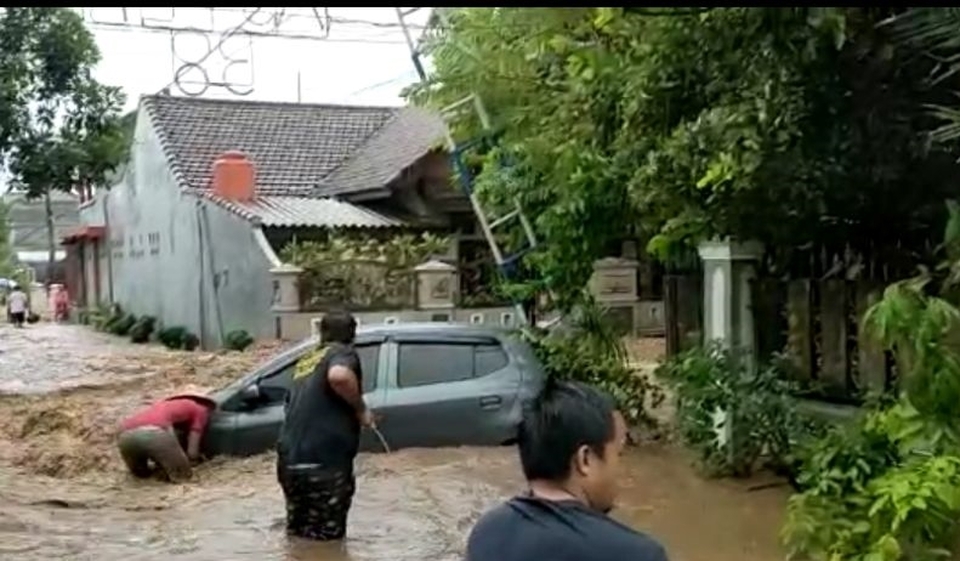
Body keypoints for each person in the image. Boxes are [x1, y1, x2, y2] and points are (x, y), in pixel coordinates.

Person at [465, 380, 670, 561]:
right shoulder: (637, 554)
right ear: (585, 459)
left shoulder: (487, 533)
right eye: (618, 454)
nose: (621, 471)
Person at [276, 310, 375, 541]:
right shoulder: (342, 352)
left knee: (299, 536)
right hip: (324, 464)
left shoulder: (307, 360)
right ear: (353, 334)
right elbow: (339, 376)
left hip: (290, 463)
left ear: (321, 332)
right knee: (328, 542)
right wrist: (361, 409)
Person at [116, 384, 215, 483]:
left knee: (141, 478)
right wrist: (195, 461)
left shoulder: (160, 405)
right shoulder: (200, 409)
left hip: (124, 436)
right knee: (183, 478)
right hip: (154, 432)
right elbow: (192, 451)